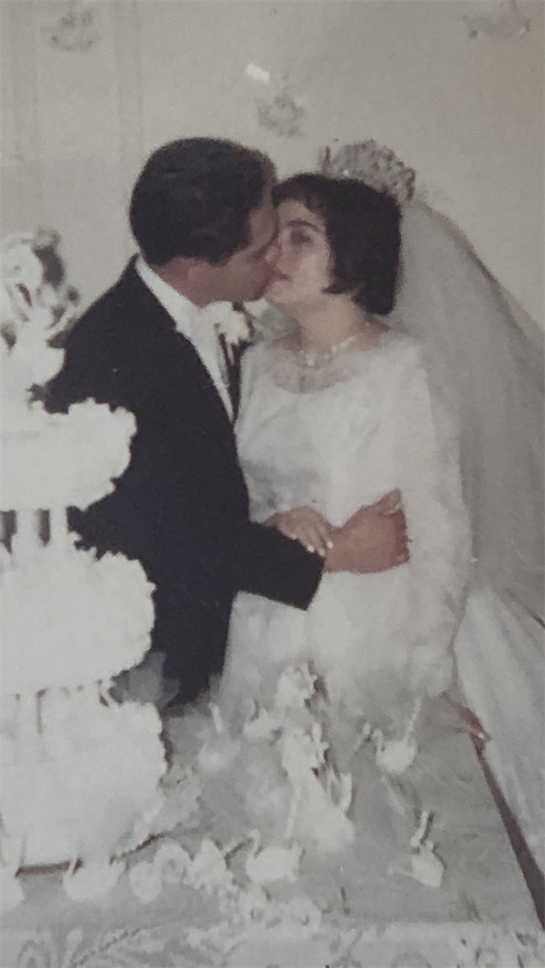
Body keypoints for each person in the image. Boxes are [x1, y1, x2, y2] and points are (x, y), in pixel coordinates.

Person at [219, 151, 545, 874]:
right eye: (273, 234)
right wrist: (272, 528)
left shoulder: (403, 368)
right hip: (269, 627)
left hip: (379, 634)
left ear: (353, 254)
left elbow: (439, 532)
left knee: (383, 839)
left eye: (300, 236)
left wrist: (423, 681)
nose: (274, 252)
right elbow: (234, 503)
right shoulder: (249, 367)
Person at [45, 137, 408, 706]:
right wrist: (335, 555)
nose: (277, 261)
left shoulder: (233, 328)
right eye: (261, 251)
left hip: (255, 631)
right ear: (195, 266)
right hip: (169, 657)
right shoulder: (110, 354)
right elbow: (162, 531)